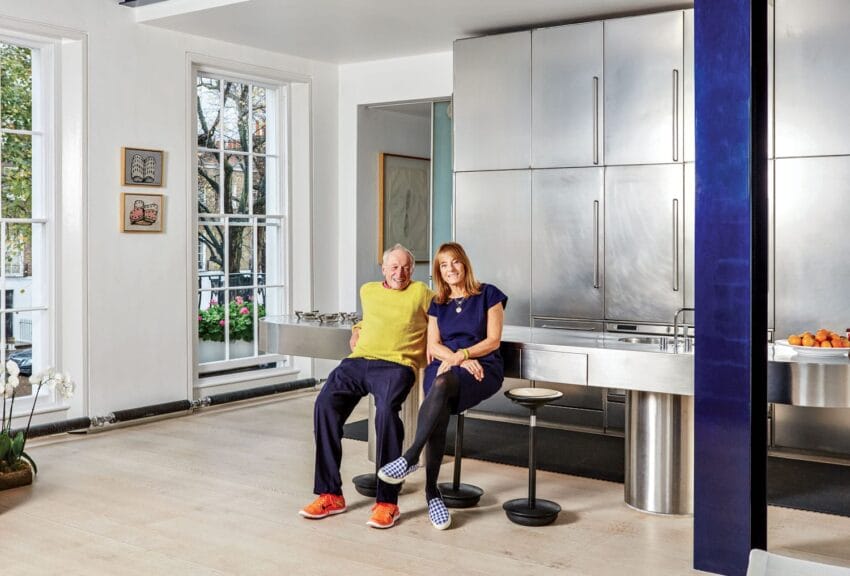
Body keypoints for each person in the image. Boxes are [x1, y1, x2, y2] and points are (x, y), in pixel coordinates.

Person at [299, 244, 432, 529]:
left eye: (406, 267)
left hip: (397, 365)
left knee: (385, 413)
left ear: (413, 269)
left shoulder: (421, 292)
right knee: (324, 405)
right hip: (358, 361)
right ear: (383, 269)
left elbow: (442, 314)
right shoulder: (368, 290)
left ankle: (387, 502)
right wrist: (357, 328)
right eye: (394, 267)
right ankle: (330, 494)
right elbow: (370, 317)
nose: (400, 273)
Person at [377, 242, 507, 530]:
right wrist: (455, 358)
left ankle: (411, 457)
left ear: (465, 264)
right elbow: (433, 345)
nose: (450, 269)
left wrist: (463, 356)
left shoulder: (488, 294)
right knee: (439, 395)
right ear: (439, 271)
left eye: (455, 262)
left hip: (482, 367)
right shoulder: (438, 303)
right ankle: (432, 494)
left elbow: (493, 340)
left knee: (442, 383)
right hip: (446, 365)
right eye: (444, 265)